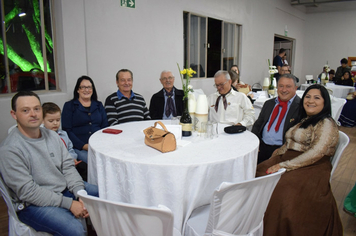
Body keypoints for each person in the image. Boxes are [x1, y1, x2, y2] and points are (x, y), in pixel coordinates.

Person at [0, 91, 99, 236]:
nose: (33, 114)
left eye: (36, 109)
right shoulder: (10, 150)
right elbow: (28, 192)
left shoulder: (52, 136)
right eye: (25, 110)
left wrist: (80, 193)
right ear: (14, 114)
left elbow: (68, 167)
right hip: (32, 205)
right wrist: (70, 203)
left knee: (105, 197)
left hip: (63, 189)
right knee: (75, 230)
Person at [256, 84, 343, 236]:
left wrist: (284, 165)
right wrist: (276, 156)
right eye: (308, 97)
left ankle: (275, 230)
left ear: (325, 102)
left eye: (317, 98)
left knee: (282, 189)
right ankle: (256, 222)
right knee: (258, 171)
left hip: (313, 165)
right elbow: (289, 142)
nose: (311, 101)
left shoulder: (326, 123)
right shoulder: (305, 120)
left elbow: (317, 152)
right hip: (291, 158)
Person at [252, 74, 301, 164]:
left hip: (283, 150)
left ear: (295, 88)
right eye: (281, 86)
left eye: (288, 86)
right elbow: (258, 125)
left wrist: (282, 150)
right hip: (261, 146)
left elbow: (299, 137)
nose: (284, 90)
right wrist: (256, 143)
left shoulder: (301, 107)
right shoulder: (269, 104)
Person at [62, 76, 108, 164]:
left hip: (99, 145)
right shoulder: (69, 106)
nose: (86, 90)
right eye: (83, 87)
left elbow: (105, 127)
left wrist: (101, 144)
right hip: (79, 147)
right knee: (95, 163)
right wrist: (83, 146)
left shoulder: (99, 105)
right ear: (77, 90)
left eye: (89, 87)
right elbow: (67, 130)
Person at [42, 102, 88, 181]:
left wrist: (72, 158)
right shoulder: (43, 138)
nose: (55, 123)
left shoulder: (63, 134)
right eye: (51, 121)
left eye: (58, 120)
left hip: (70, 163)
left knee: (84, 167)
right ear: (42, 121)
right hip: (58, 168)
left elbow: (70, 149)